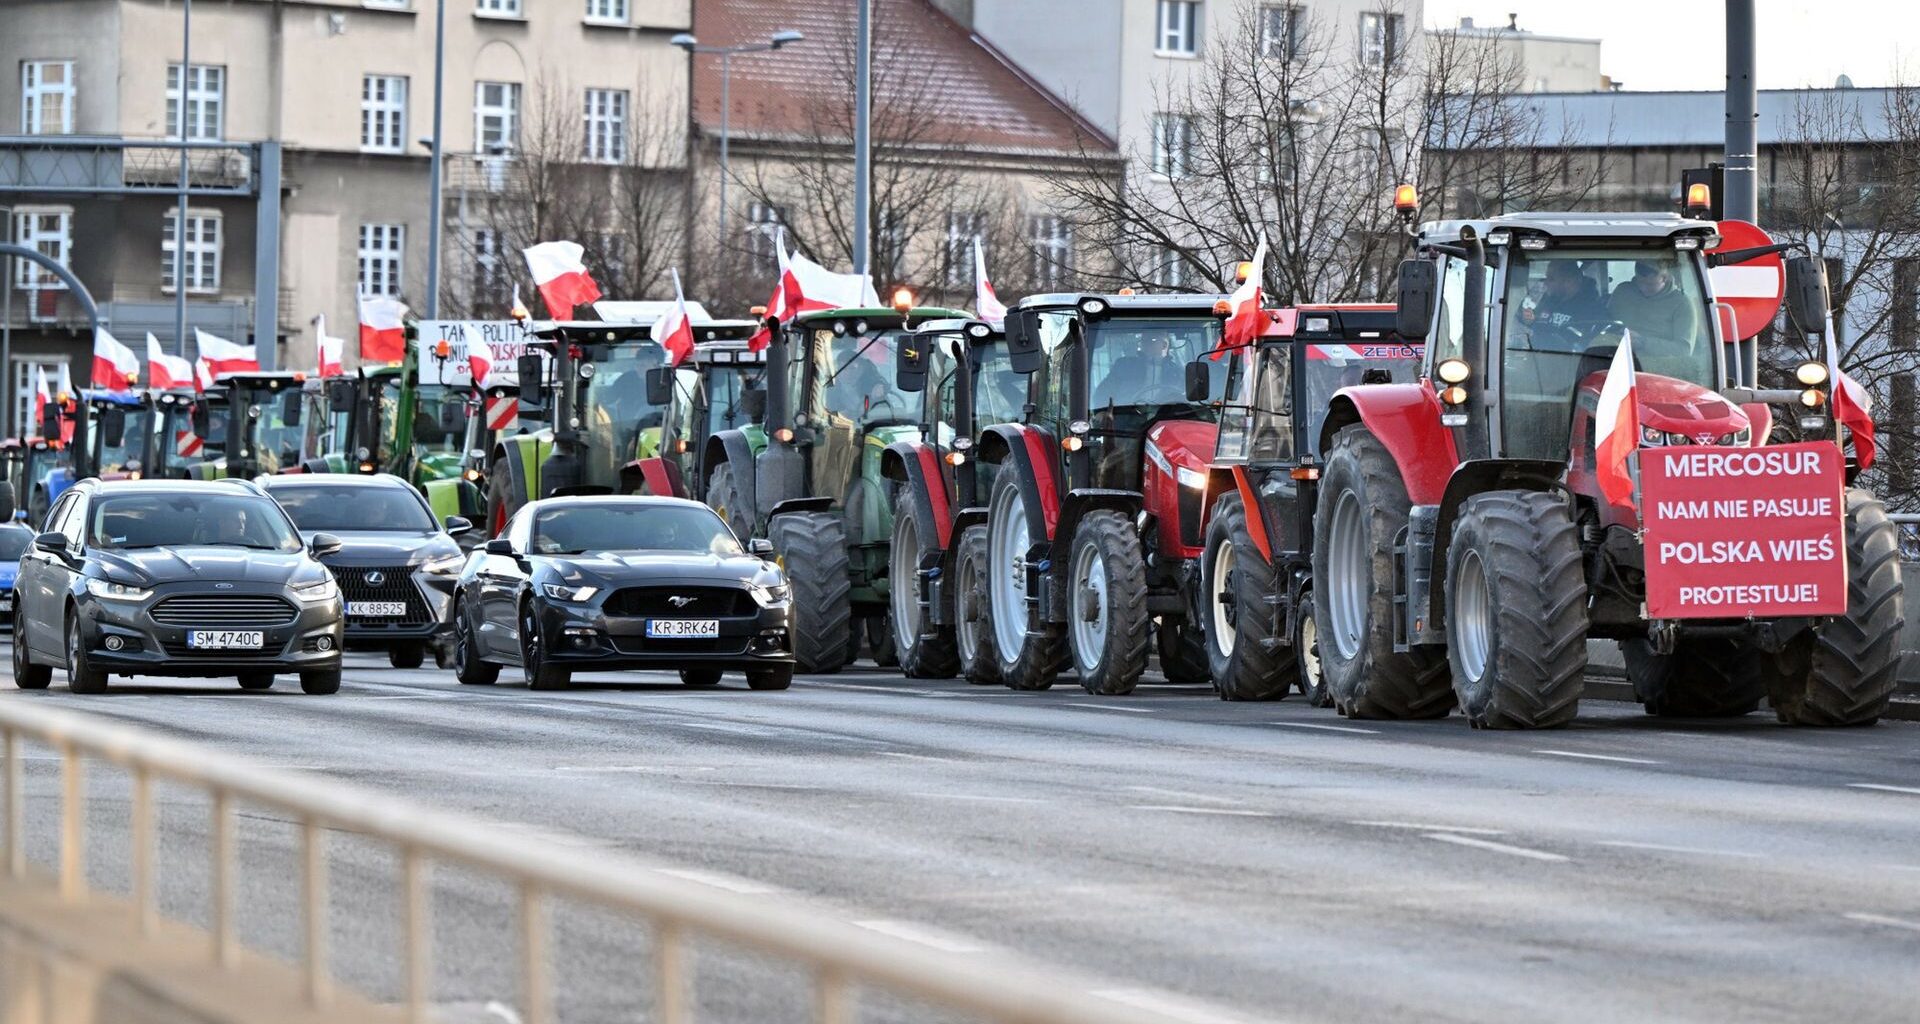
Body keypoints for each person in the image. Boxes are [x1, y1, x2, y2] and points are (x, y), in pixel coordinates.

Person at [1608, 260, 1699, 346]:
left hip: (1660, 361)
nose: (1643, 288)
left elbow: (1683, 349)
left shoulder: (1682, 303)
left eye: (1649, 284)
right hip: (1614, 356)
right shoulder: (1623, 292)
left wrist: (1643, 342)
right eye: (1640, 282)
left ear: (1665, 278)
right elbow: (1604, 322)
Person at [1097, 334, 1183, 403]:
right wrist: (1101, 412)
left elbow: (1186, 398)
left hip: (1166, 416)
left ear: (1164, 345)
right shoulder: (1125, 367)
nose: (1144, 344)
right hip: (1129, 415)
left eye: (1151, 341)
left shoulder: (1178, 372)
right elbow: (1103, 392)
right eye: (1143, 341)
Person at [1531, 260, 1607, 332]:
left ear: (1569, 281)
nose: (1545, 283)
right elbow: (1526, 324)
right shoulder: (1547, 302)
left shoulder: (1594, 313)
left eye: (1551, 279)